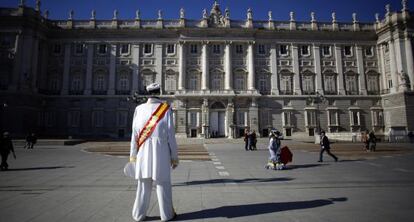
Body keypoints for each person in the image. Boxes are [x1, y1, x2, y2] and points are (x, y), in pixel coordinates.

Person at [129, 83, 179, 222]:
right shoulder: (165, 109)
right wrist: (174, 157)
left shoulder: (139, 109)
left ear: (147, 93)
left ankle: (138, 215)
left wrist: (133, 156)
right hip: (161, 151)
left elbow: (134, 135)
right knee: (163, 184)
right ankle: (166, 215)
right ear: (159, 92)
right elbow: (171, 135)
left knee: (143, 185)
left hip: (143, 152)